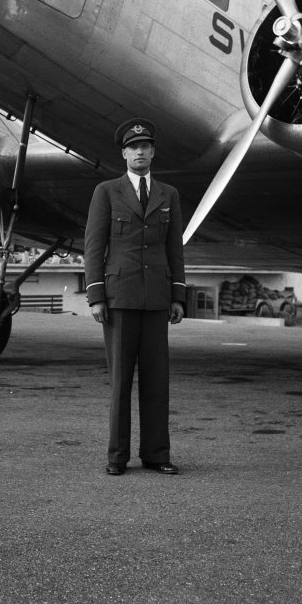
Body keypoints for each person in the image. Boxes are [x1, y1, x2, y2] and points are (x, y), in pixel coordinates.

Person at [84, 118, 186, 476]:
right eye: (133, 147)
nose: (139, 151)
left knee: (157, 380)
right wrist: (96, 295)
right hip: (119, 298)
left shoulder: (168, 194)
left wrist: (178, 296)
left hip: (157, 298)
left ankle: (156, 454)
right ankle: (117, 457)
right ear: (124, 154)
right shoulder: (106, 192)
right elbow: (94, 246)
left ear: (153, 152)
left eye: (145, 146)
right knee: (121, 382)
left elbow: (175, 249)